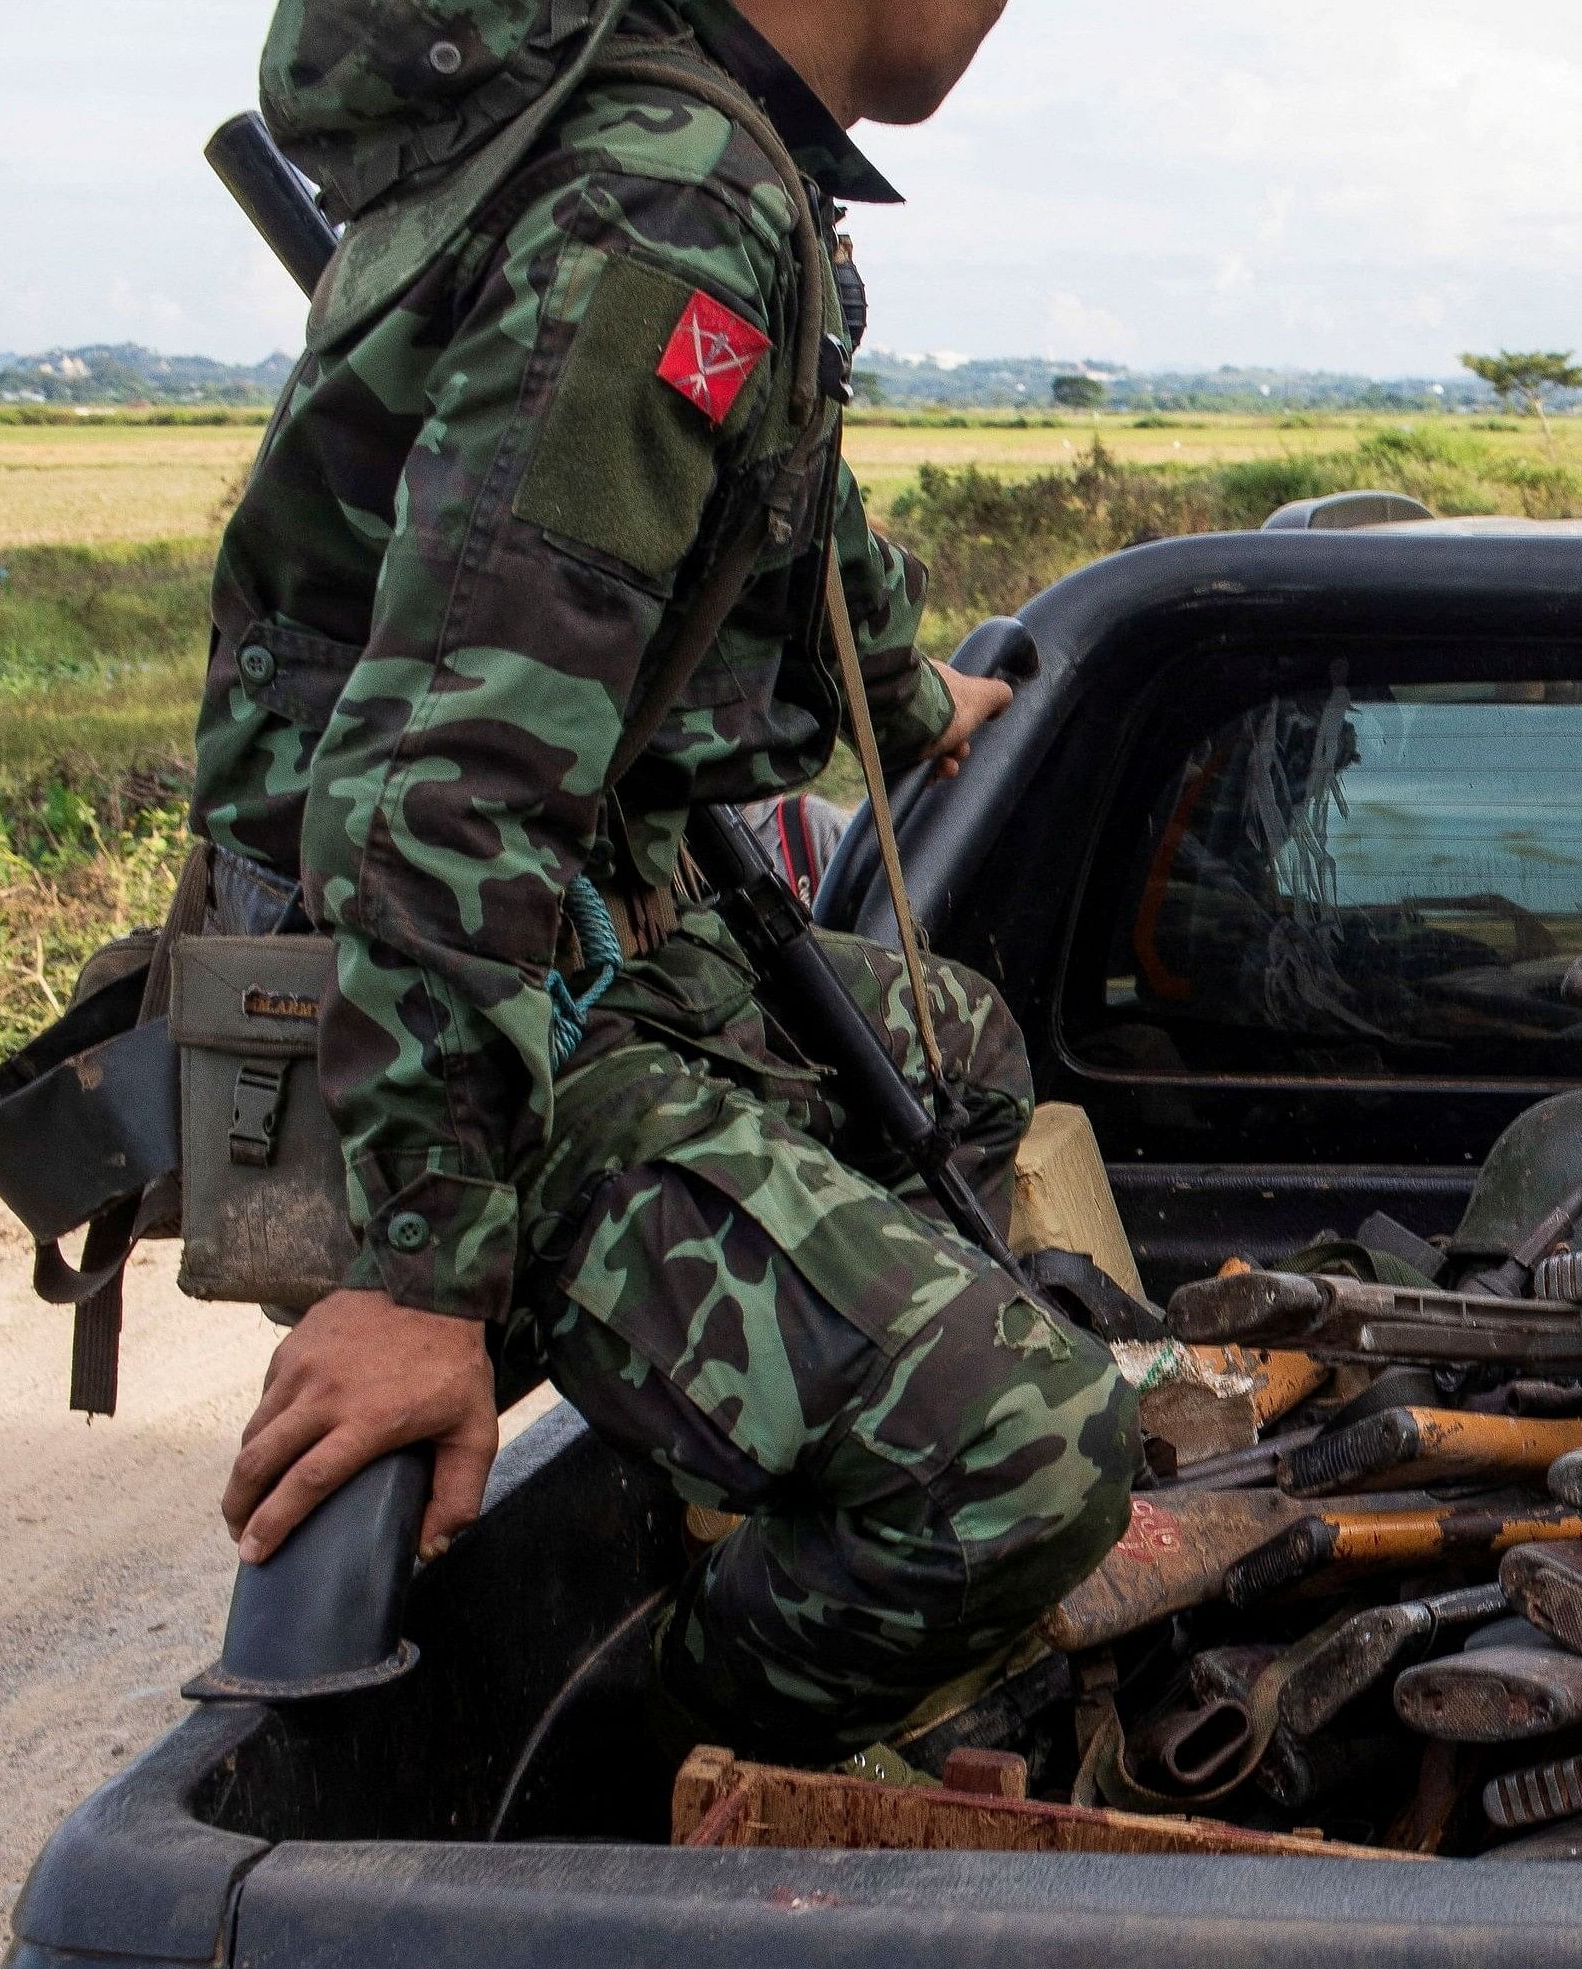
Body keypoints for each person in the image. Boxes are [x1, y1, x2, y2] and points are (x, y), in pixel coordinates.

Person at [204, 0, 1139, 1760]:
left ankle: (786, 1511)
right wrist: (422, 1275)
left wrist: (919, 687)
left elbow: (775, 526)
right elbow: (446, 771)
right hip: (412, 1025)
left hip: (570, 944)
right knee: (1025, 1454)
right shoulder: (667, 194)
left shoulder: (720, 162)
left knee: (955, 1052)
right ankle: (677, 1762)